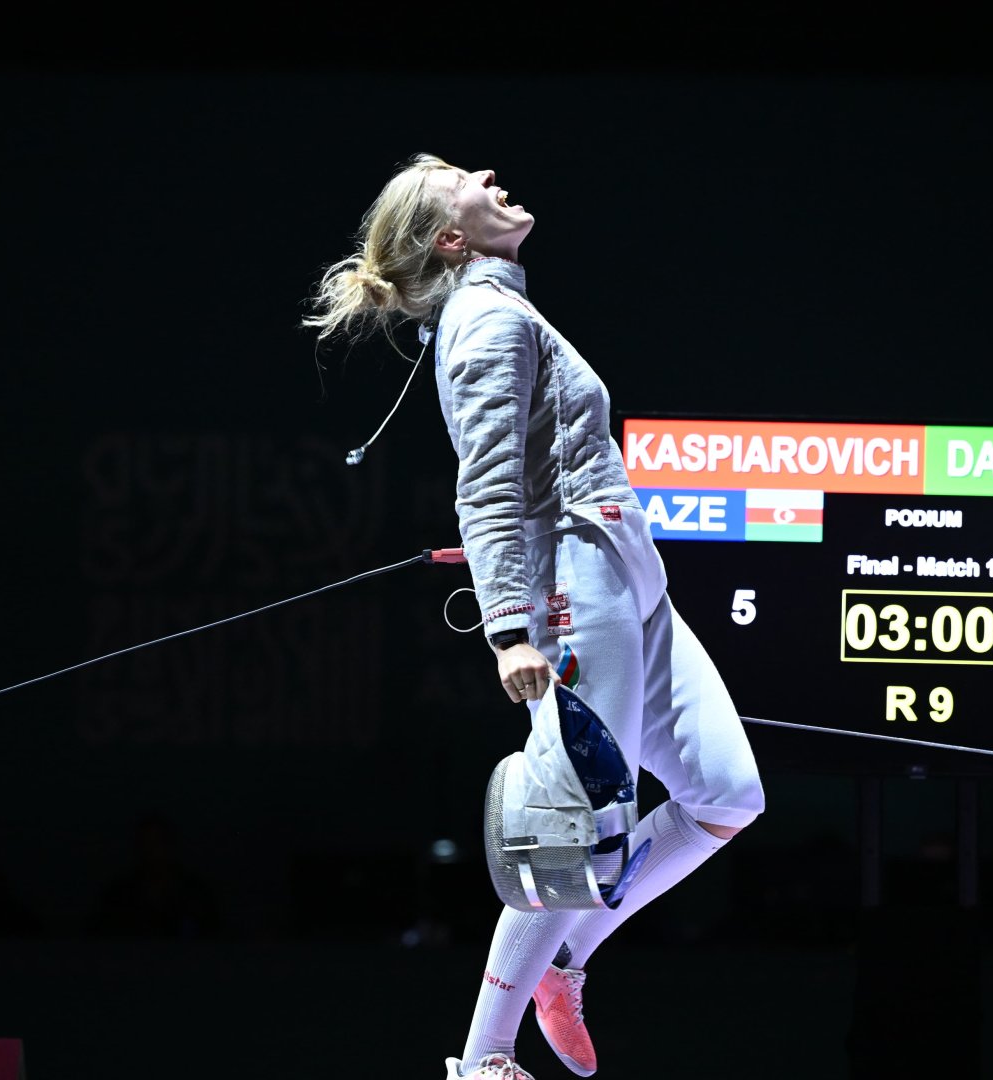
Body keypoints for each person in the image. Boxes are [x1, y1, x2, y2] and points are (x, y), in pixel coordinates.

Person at [304, 154, 766, 1080]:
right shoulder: (483, 324)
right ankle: (482, 1060)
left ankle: (563, 958)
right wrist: (511, 627)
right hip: (572, 585)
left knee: (725, 793)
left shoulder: (503, 309)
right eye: (457, 179)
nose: (485, 172)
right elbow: (487, 489)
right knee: (571, 824)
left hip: (627, 569)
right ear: (451, 237)